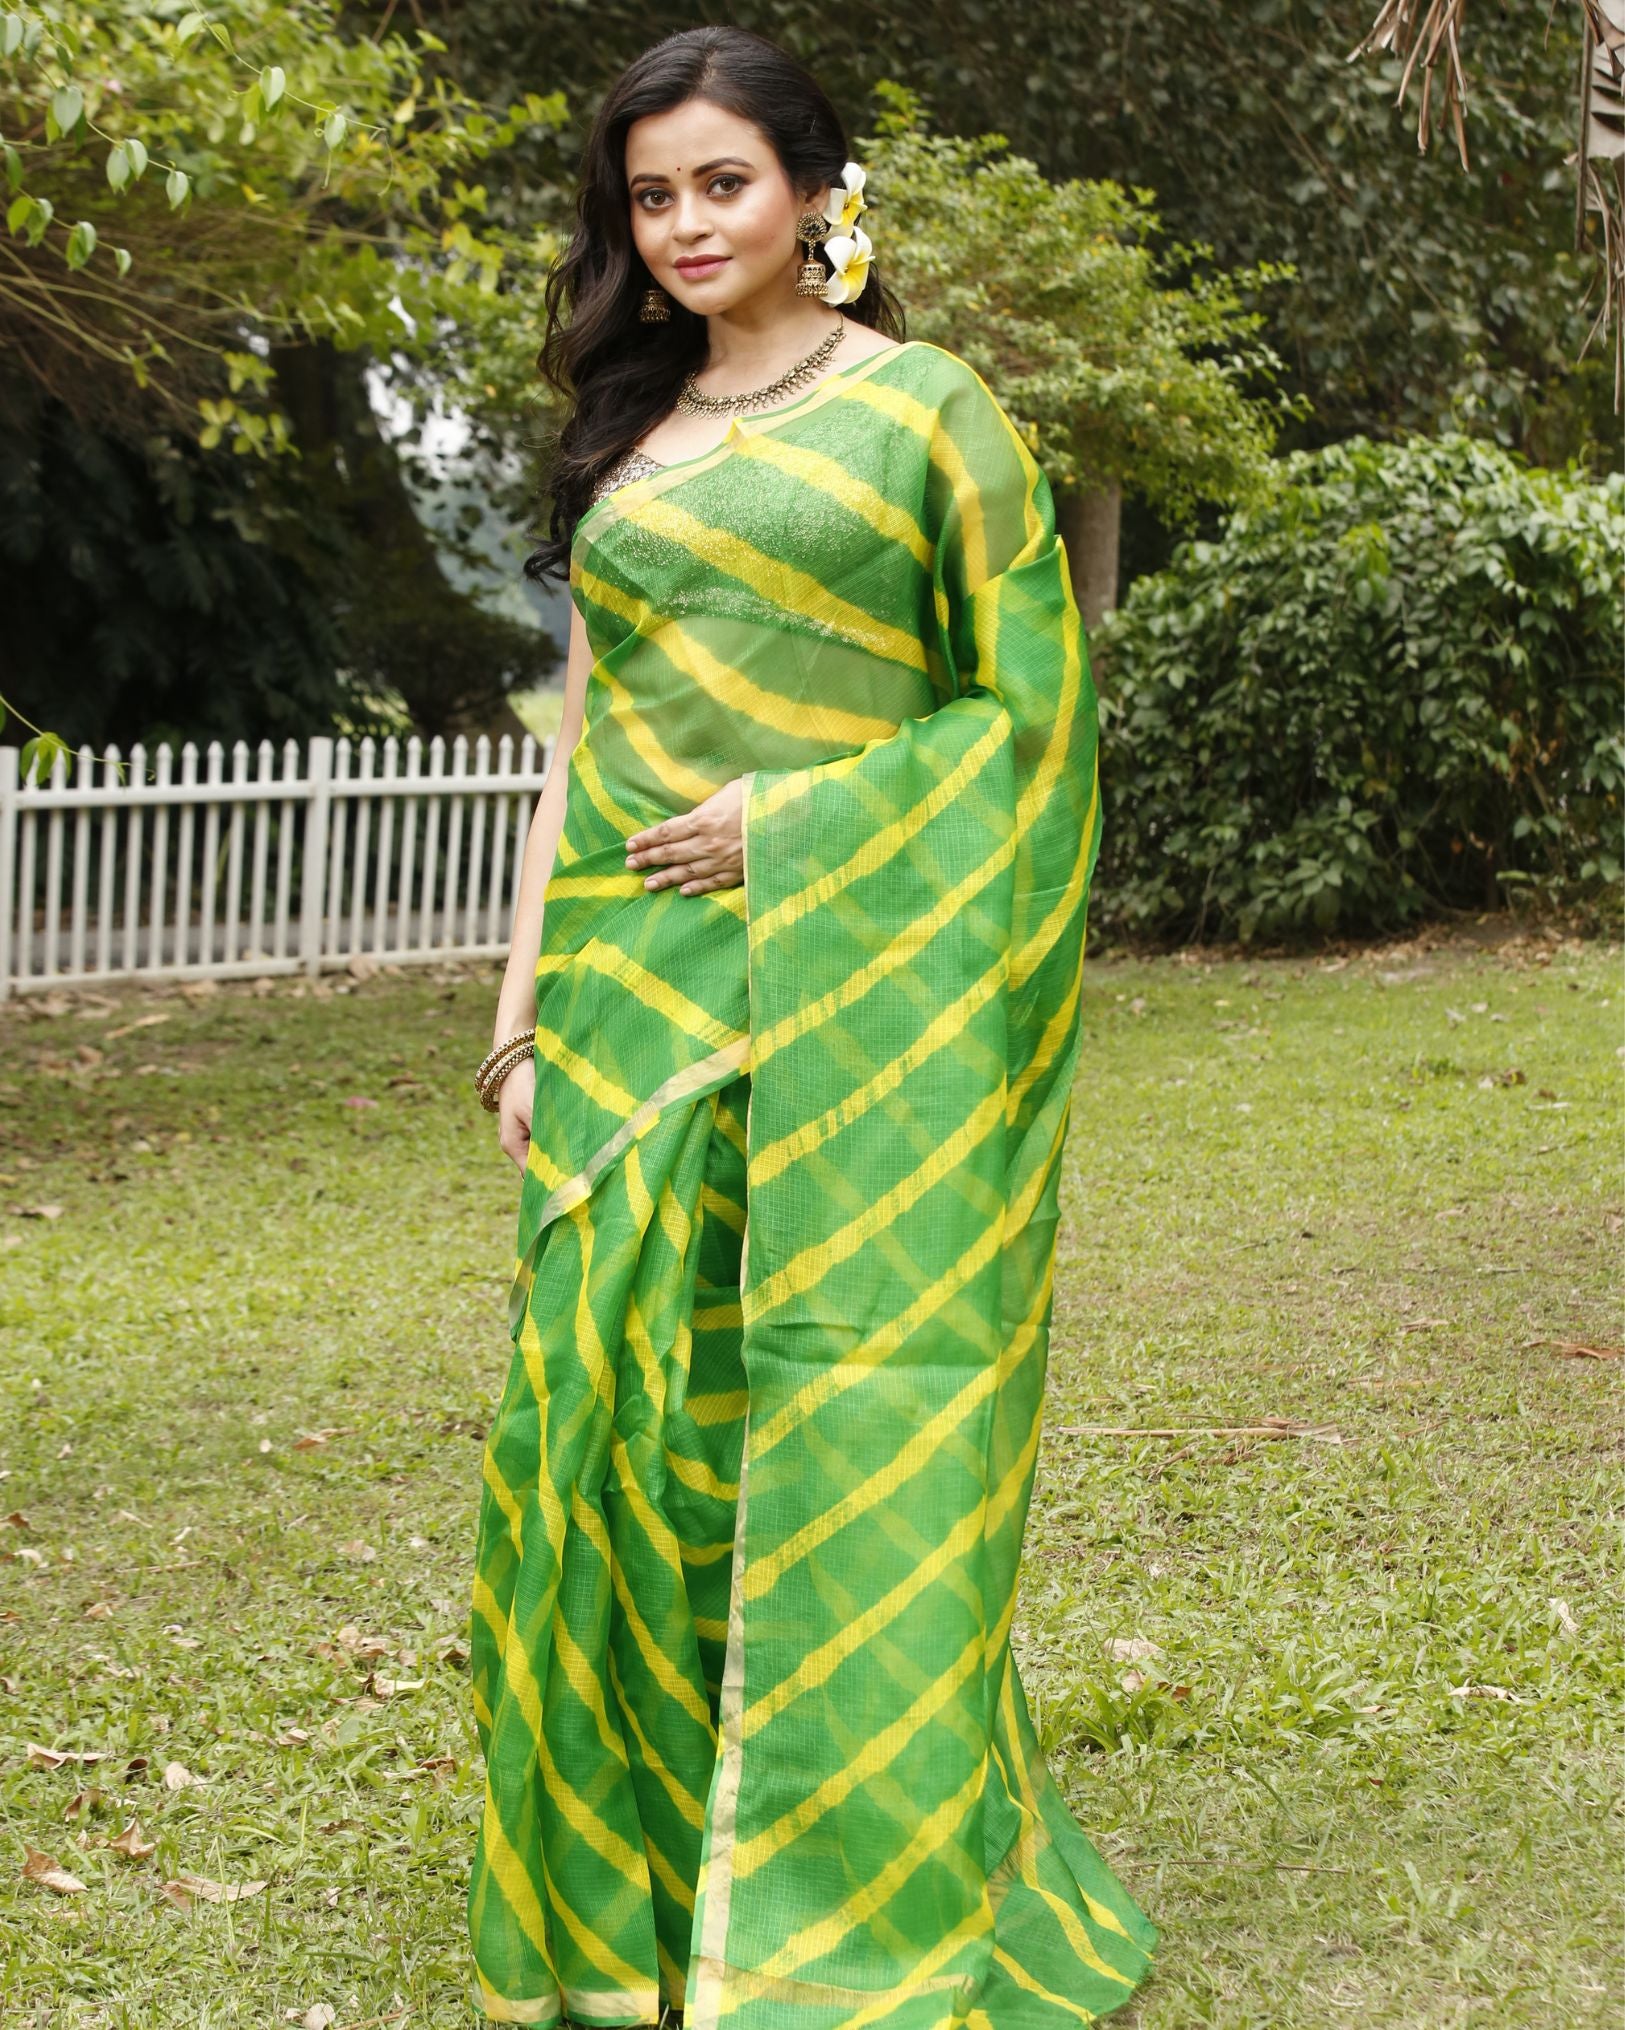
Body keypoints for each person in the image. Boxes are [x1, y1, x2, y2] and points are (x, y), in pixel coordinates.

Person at [468, 24, 1159, 2030]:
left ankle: (836, 1896)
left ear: (814, 194)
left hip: (873, 1011)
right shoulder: (619, 447)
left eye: (723, 183)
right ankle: (640, 1895)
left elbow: (1030, 725)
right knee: (620, 1434)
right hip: (632, 1007)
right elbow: (578, 751)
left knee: (856, 1416)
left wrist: (801, 821)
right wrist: (515, 1022)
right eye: (650, 197)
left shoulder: (926, 414)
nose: (684, 226)